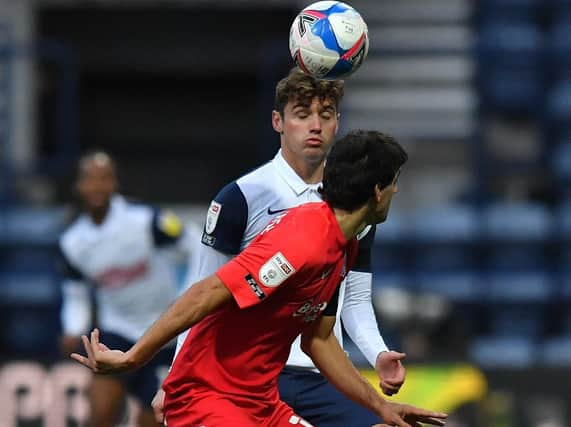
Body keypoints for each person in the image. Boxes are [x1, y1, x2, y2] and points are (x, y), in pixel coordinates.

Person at [71, 129, 448, 427]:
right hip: (208, 398)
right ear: (378, 191)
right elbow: (208, 291)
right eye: (394, 182)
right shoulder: (305, 241)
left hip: (262, 404)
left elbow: (318, 338)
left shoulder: (342, 247)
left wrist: (381, 406)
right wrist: (136, 356)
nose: (397, 190)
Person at [151, 67, 406, 426]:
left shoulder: (356, 202)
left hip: (321, 370)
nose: (315, 126)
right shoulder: (242, 197)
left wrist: (377, 353)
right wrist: (173, 379)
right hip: (250, 376)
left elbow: (355, 300)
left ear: (338, 122)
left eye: (326, 115)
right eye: (302, 115)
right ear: (278, 121)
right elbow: (203, 291)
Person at [58, 150, 195, 427]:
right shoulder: (72, 242)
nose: (97, 186)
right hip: (116, 332)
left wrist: (187, 298)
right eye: (90, 179)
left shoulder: (146, 220)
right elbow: (76, 295)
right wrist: (73, 328)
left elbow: (193, 246)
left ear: (114, 183)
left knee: (152, 420)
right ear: (79, 186)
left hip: (161, 335)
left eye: (104, 178)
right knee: (100, 415)